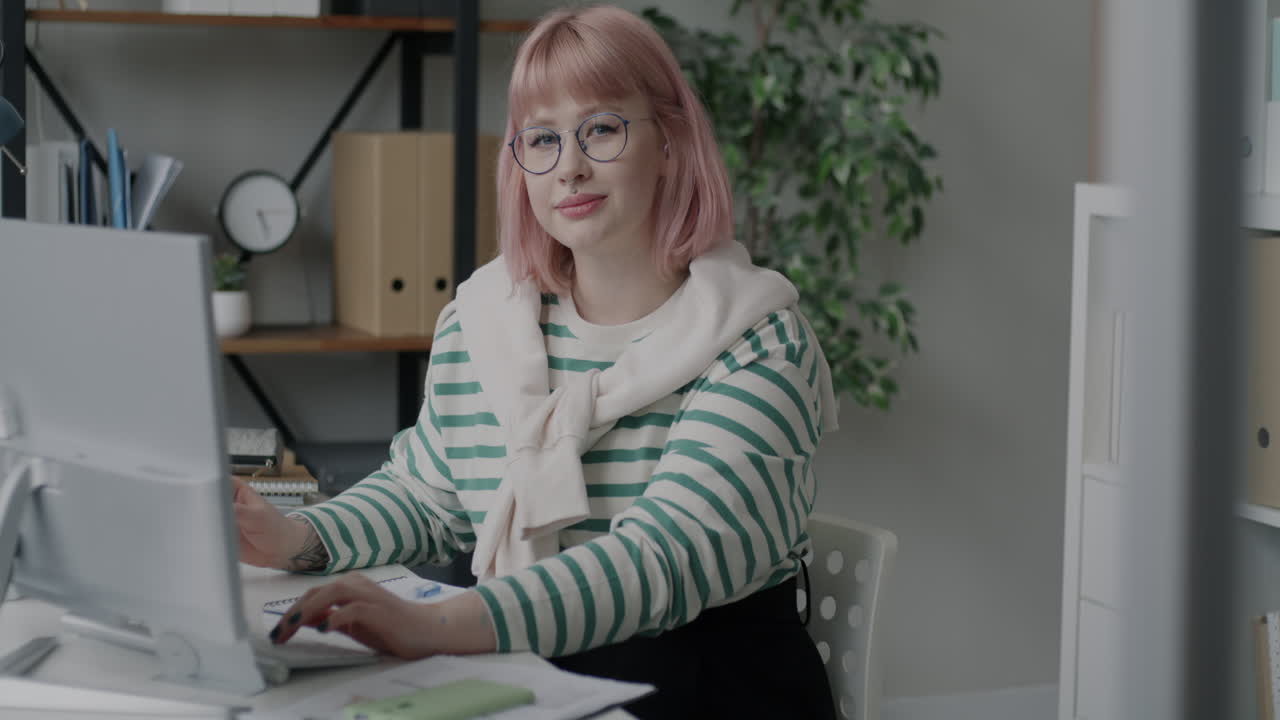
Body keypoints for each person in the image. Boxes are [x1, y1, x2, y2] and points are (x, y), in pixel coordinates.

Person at [233, 5, 840, 717]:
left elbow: (662, 561)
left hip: (712, 690)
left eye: (602, 129)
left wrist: (437, 626)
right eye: (542, 139)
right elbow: (427, 496)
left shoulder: (759, 343)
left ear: (672, 144)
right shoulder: (485, 322)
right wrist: (296, 538)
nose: (570, 167)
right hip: (533, 674)